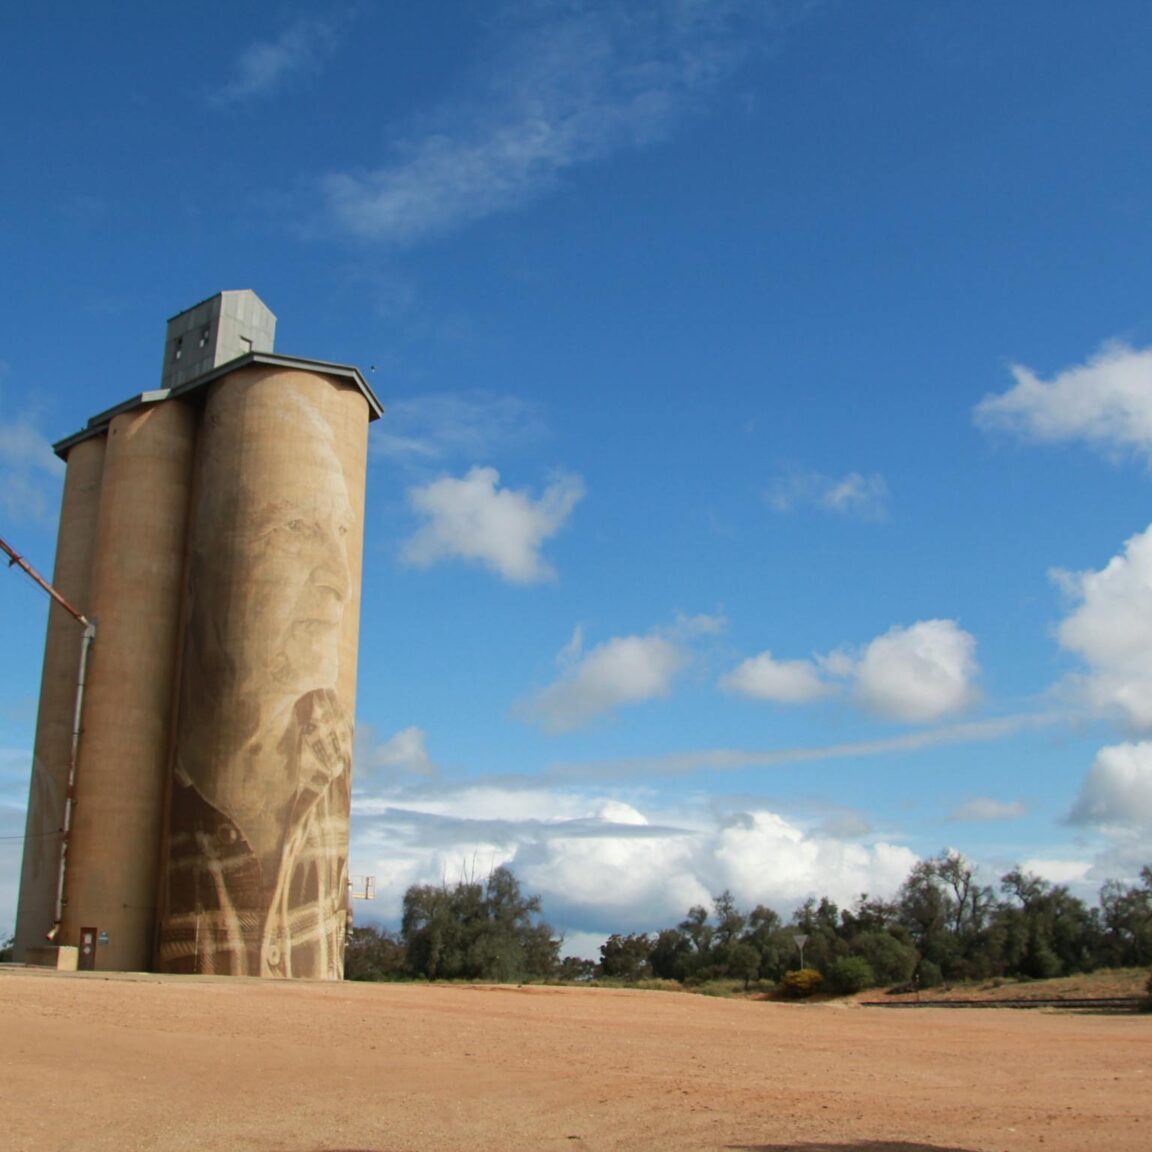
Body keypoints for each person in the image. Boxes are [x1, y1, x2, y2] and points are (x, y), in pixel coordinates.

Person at [158, 378, 358, 978]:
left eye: (342, 534)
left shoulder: (337, 751)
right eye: (295, 530)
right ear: (198, 567)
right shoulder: (157, 773)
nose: (339, 582)